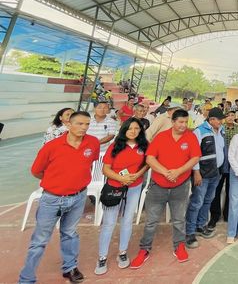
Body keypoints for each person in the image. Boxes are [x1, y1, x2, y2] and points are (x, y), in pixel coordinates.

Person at [19, 111, 99, 284]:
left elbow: (88, 163)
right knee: (40, 240)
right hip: (52, 199)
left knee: (70, 233)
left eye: (87, 124)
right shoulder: (52, 146)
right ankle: (26, 278)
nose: (84, 127)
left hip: (79, 196)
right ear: (68, 124)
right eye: (79, 124)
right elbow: (36, 171)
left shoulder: (93, 143)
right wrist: (56, 182)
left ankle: (70, 268)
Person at [130, 109, 201, 269]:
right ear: (173, 122)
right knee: (151, 221)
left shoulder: (191, 137)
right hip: (158, 185)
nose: (183, 125)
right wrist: (166, 172)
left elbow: (195, 157)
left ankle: (179, 246)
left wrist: (178, 171)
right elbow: (150, 158)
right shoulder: (161, 137)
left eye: (186, 122)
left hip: (180, 185)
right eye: (180, 122)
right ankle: (144, 249)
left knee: (179, 219)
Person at [95, 118, 149, 275]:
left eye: (136, 128)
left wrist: (137, 175)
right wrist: (121, 178)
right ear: (124, 129)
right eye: (130, 128)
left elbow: (147, 163)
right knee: (109, 222)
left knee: (127, 220)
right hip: (114, 187)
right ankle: (102, 257)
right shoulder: (115, 146)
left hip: (134, 187)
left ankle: (122, 252)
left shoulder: (144, 145)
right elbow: (106, 169)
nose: (133, 131)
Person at [185, 107, 226, 248]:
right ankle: (190, 232)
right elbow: (193, 153)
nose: (221, 122)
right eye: (219, 119)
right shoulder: (199, 131)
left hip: (215, 173)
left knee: (208, 200)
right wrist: (196, 172)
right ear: (212, 119)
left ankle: (200, 225)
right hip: (202, 174)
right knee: (197, 202)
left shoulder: (220, 131)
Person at [208, 110, 238, 228]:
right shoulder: (220, 128)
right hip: (221, 163)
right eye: (228, 115)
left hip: (234, 164)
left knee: (231, 190)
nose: (230, 117)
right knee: (216, 190)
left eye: (232, 115)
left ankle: (228, 214)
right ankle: (215, 215)